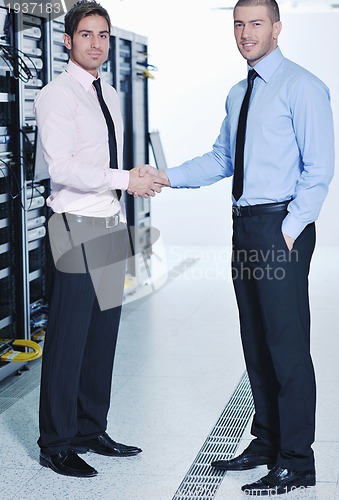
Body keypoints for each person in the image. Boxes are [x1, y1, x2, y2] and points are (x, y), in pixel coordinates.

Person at [140, 0, 335, 495]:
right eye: (239, 25)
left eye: (256, 24)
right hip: (245, 227)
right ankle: (267, 441)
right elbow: (223, 157)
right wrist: (167, 177)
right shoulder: (237, 93)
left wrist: (291, 228)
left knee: (287, 347)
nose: (245, 34)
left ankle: (296, 458)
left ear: (277, 28)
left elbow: (319, 167)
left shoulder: (303, 87)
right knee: (255, 341)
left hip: (278, 230)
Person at [34, 0, 163, 478]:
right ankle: (57, 441)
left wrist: (126, 187)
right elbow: (63, 167)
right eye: (86, 34)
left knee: (102, 337)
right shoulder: (57, 95)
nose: (97, 43)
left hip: (109, 223)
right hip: (74, 225)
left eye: (103, 35)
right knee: (68, 338)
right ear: (68, 40)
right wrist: (123, 178)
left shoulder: (107, 92)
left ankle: (91, 428)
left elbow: (109, 166)